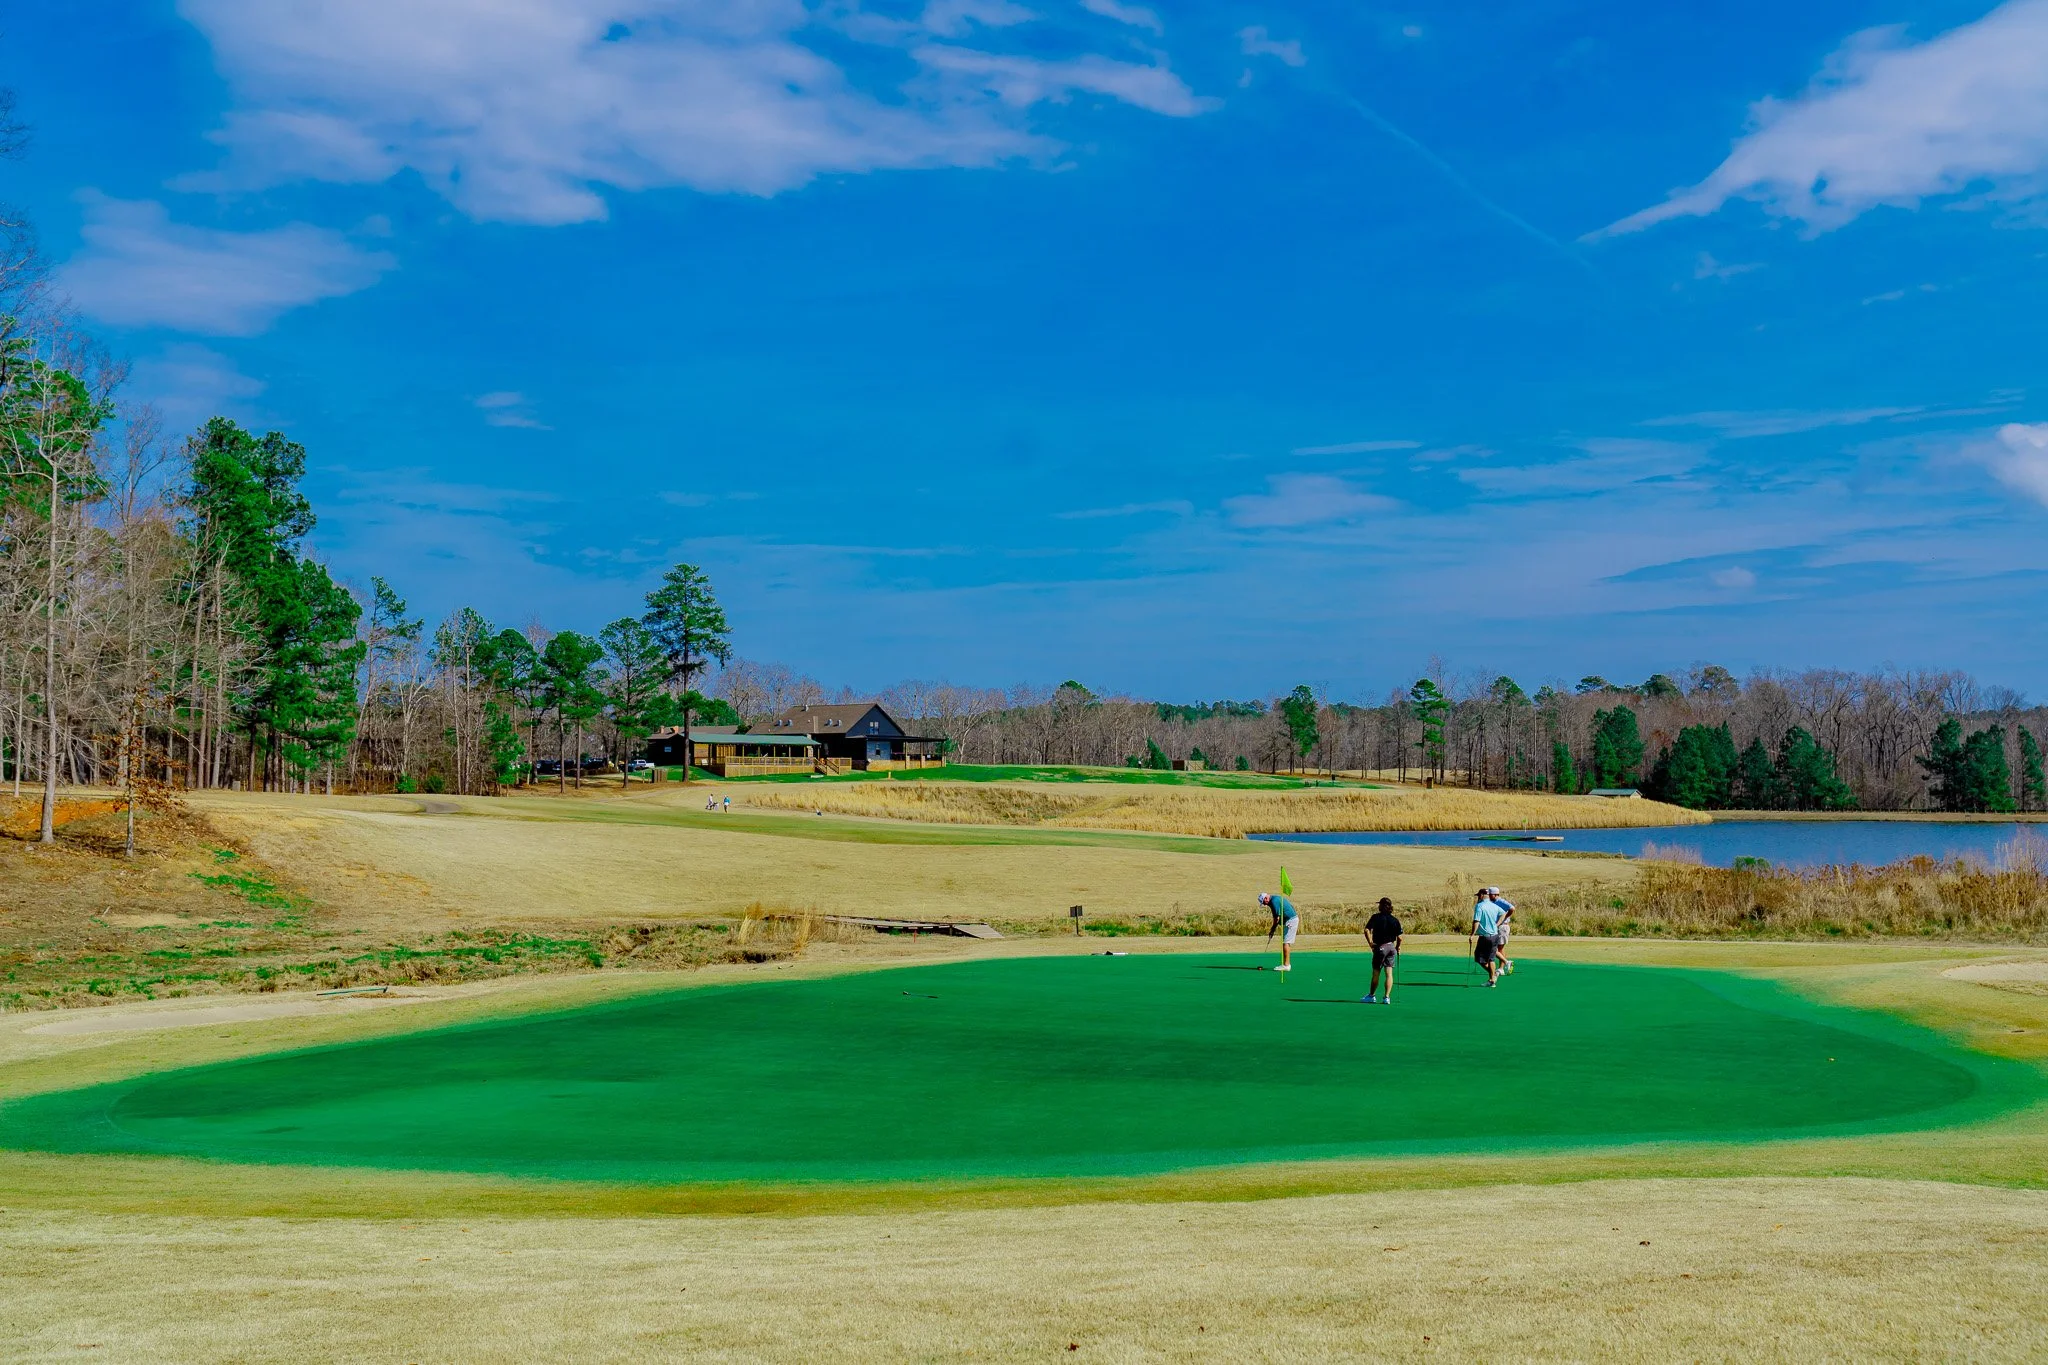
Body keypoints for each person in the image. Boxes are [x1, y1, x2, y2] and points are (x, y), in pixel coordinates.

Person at [1363, 897, 1402, 1004]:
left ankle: (1371, 996)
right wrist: (1398, 947)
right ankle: (1386, 997)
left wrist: (1370, 943)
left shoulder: (1375, 917)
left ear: (1381, 906)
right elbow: (1399, 938)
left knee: (1376, 972)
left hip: (1380, 947)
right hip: (1391, 947)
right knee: (1389, 973)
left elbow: (1366, 930)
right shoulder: (1394, 920)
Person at [1471, 889, 1508, 987]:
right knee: (1491, 959)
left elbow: (1476, 921)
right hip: (1495, 936)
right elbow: (1503, 913)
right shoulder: (1493, 905)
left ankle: (1493, 975)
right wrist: (1497, 924)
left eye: (1479, 895)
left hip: (1485, 937)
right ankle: (1492, 980)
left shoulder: (1479, 906)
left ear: (1483, 895)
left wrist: (1472, 935)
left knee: (1479, 958)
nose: (1478, 897)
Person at [1259, 891, 1299, 972]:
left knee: (1286, 942)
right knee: (1286, 942)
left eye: (1263, 902)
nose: (1264, 904)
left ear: (1266, 898)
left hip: (1291, 921)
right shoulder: (1274, 899)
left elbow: (1276, 918)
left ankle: (1286, 965)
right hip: (1290, 920)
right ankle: (1286, 964)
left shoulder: (1274, 901)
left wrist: (1272, 930)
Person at [1485, 886, 1516, 976]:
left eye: (1490, 895)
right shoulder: (1493, 902)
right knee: (1497, 947)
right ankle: (1503, 965)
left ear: (1496, 894)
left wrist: (1505, 917)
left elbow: (1512, 908)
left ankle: (1502, 968)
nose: (1489, 896)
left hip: (1502, 927)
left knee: (1499, 948)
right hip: (1497, 926)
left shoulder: (1500, 901)